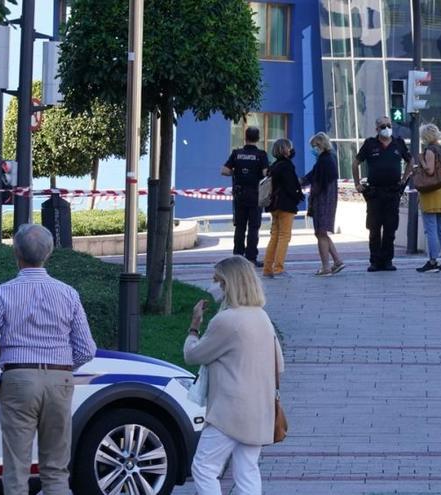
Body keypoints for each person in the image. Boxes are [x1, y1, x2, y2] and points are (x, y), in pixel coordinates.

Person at [0, 224, 97, 494]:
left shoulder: (1, 294)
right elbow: (87, 349)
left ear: (16, 252)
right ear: (49, 253)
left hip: (17, 379)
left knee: (16, 468)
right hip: (59, 379)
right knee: (56, 468)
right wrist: (60, 368)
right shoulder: (68, 293)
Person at [185, 256, 285, 495]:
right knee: (247, 471)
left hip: (229, 411)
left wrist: (194, 326)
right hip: (259, 409)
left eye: (216, 280)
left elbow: (193, 355)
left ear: (228, 284)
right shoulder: (262, 317)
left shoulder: (226, 320)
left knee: (204, 467)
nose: (212, 286)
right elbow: (278, 364)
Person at [352, 116, 412, 272]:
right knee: (374, 228)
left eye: (389, 125)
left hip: (392, 192)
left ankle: (387, 261)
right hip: (374, 192)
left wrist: (404, 178)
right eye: (383, 125)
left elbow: (410, 161)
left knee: (390, 228)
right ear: (377, 129)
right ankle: (375, 261)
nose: (387, 128)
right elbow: (355, 162)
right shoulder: (370, 144)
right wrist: (357, 183)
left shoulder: (398, 143)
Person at [222, 126, 269, 267]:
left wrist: (237, 174)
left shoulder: (236, 153)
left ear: (245, 137)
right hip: (255, 195)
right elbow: (266, 173)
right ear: (258, 138)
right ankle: (251, 258)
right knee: (254, 228)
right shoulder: (261, 154)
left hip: (240, 195)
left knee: (240, 227)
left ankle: (237, 256)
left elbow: (224, 171)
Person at [415, 123, 441, 273]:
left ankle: (432, 261)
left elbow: (430, 170)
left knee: (430, 229)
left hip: (430, 191)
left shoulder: (430, 150)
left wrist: (421, 160)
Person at [305, 132, 345, 276]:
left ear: (320, 145)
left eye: (314, 146)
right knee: (322, 233)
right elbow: (311, 176)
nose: (312, 150)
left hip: (322, 202)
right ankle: (337, 261)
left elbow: (316, 181)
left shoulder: (324, 160)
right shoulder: (329, 159)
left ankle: (326, 266)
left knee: (320, 233)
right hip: (328, 201)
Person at [262, 138, 304, 278]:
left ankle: (267, 268)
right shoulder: (287, 165)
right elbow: (291, 186)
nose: (292, 150)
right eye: (290, 147)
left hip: (274, 205)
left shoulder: (274, 166)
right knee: (284, 236)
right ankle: (279, 268)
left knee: (274, 236)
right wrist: (299, 196)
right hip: (286, 205)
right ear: (285, 150)